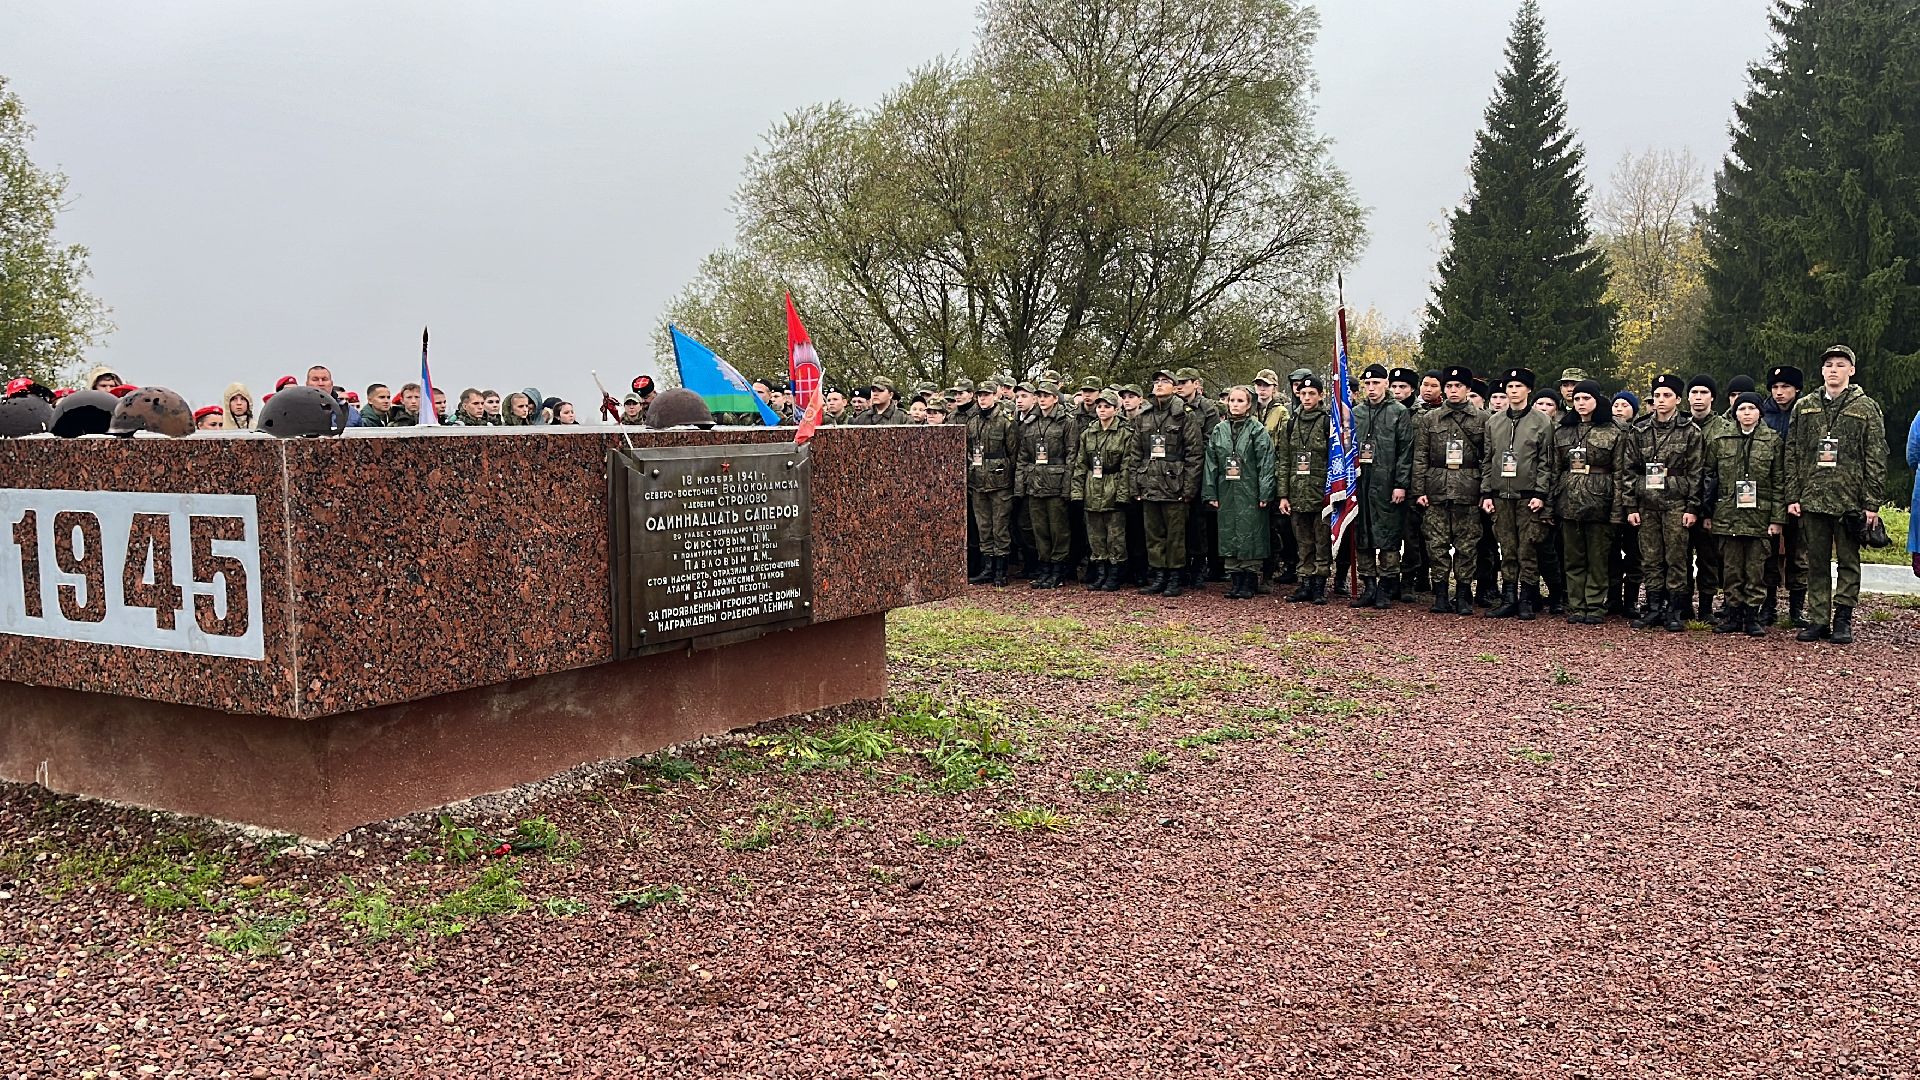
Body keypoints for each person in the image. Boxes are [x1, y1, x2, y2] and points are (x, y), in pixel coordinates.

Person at [1785, 345, 1886, 645]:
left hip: (1850, 502)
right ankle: (1817, 619)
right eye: (1829, 365)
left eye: (1840, 365)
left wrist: (1871, 503)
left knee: (1848, 561)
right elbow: (1792, 451)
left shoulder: (1866, 407)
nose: (1833, 370)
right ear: (1822, 370)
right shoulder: (1805, 406)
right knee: (1815, 562)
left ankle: (1843, 617)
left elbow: (1876, 456)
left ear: (1851, 371)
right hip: (1813, 497)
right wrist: (1793, 495)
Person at [1622, 373, 1706, 632]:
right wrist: (1631, 506)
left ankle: (1674, 609)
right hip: (1647, 503)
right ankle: (1654, 606)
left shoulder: (1690, 431)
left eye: (1667, 395)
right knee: (1650, 558)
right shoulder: (1640, 430)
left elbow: (1696, 472)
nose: (1661, 400)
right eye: (1657, 395)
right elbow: (1629, 470)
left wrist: (1692, 507)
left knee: (1676, 558)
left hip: (1676, 503)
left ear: (1678, 399)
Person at [1703, 391, 1785, 636]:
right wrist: (1708, 512)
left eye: (1751, 408)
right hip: (1727, 514)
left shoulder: (1772, 440)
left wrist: (1777, 519)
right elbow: (1710, 477)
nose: (1746, 413)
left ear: (1760, 412)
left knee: (1756, 568)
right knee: (1731, 568)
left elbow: (1779, 481)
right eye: (1741, 409)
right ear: (1735, 412)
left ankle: (1752, 615)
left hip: (1760, 516)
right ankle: (1733, 613)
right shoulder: (1721, 439)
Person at [1412, 366, 1489, 616]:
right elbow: (1420, 456)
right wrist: (1419, 490)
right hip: (1436, 488)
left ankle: (1464, 593)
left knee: (1467, 546)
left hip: (1469, 488)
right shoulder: (1430, 418)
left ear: (1468, 389)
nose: (1453, 391)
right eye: (1449, 387)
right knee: (1437, 545)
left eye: (1458, 386)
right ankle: (1441, 593)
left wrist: (1485, 491)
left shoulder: (1482, 419)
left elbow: (1488, 459)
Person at [1480, 368, 1555, 619]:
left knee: (1528, 548)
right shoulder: (1494, 421)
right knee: (1508, 548)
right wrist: (1487, 492)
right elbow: (1488, 459)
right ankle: (1509, 595)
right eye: (1509, 387)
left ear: (1528, 390)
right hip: (1502, 495)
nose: (1513, 391)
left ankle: (1527, 597)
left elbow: (1546, 461)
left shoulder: (1541, 421)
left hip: (1528, 495)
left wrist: (1541, 493)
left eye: (1518, 387)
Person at [1553, 381, 1626, 625]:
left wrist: (1617, 511)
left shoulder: (1613, 430)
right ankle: (1576, 604)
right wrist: (1551, 506)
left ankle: (1594, 605)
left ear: (1596, 400)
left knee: (1598, 558)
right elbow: (1554, 470)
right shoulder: (1562, 430)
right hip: (1569, 502)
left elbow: (1620, 473)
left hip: (1600, 502)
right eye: (1577, 399)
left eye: (1586, 398)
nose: (1581, 403)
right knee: (1573, 558)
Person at [1133, 369, 1205, 597]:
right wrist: (1135, 485)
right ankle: (1158, 575)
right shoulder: (1144, 415)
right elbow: (1135, 453)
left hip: (1174, 483)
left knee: (1175, 535)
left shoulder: (1184, 415)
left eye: (1165, 381)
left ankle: (1175, 577)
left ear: (1175, 388)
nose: (1159, 385)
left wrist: (1189, 488)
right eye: (1156, 381)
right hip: (1149, 481)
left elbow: (1194, 455)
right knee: (1153, 533)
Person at [1348, 364, 1414, 608]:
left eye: (1376, 383)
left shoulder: (1398, 412)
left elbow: (1405, 451)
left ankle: (1387, 585)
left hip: (1387, 483)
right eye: (1367, 384)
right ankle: (1369, 584)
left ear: (1386, 384)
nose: (1371, 388)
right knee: (1363, 533)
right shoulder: (1356, 413)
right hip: (1361, 481)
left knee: (1388, 535)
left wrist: (1400, 484)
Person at [1203, 386, 1277, 600]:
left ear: (1248, 404)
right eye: (1232, 400)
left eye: (1239, 401)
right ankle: (1235, 579)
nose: (1234, 404)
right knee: (1229, 531)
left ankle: (1249, 580)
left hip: (1249, 489)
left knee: (1251, 532)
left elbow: (1266, 462)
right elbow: (1211, 463)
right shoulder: (1220, 429)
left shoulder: (1257, 430)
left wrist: (1265, 493)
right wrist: (1210, 493)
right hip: (1226, 488)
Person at [1680, 374, 1733, 620]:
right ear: (1687, 397)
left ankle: (1705, 607)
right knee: (1681, 556)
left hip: (1712, 502)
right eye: (1694, 393)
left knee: (1708, 558)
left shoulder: (1724, 428)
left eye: (1703, 393)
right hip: (1681, 501)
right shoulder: (1679, 425)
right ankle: (1683, 605)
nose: (1698, 398)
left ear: (1712, 396)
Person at [1072, 389, 1136, 591]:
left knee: (1115, 535)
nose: (1102, 410)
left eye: (1107, 406)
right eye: (1099, 406)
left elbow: (1127, 466)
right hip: (1092, 487)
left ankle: (1115, 572)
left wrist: (1123, 494)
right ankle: (1101, 571)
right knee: (1095, 534)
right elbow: (1080, 464)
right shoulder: (1088, 433)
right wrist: (1077, 492)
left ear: (1116, 410)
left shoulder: (1125, 434)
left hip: (1113, 485)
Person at [1759, 365, 1808, 625]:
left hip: (1800, 491)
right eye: (1775, 388)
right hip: (1768, 493)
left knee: (1798, 553)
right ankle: (1768, 606)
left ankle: (1797, 609)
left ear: (1797, 389)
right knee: (1767, 552)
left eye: (1785, 387)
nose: (1779, 392)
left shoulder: (1807, 412)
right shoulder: (1762, 414)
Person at [1016, 381, 1078, 588]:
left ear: (1055, 398)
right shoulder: (1031, 423)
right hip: (1035, 483)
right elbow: (1023, 457)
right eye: (1039, 395)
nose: (1042, 399)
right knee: (1039, 528)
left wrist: (1068, 486)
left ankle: (1058, 569)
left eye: (1046, 395)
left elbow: (1072, 455)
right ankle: (1045, 568)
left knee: (1058, 529)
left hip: (1056, 482)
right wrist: (1021, 485)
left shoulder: (1066, 422)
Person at [1278, 374, 1332, 604]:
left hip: (1320, 491)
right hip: (1297, 490)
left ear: (1321, 396)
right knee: (1303, 541)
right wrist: (1283, 494)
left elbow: (1335, 460)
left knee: (1321, 541)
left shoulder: (1328, 422)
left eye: (1312, 393)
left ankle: (1319, 584)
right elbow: (1284, 461)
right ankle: (1305, 581)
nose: (1307, 397)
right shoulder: (1291, 423)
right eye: (1302, 393)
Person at [966, 379, 1019, 586]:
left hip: (1000, 482)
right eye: (980, 396)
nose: (983, 399)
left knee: (1000, 527)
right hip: (978, 480)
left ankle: (1001, 571)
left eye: (986, 395)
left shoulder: (1005, 421)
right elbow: (969, 449)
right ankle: (988, 568)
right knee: (984, 527)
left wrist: (1008, 476)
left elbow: (1013, 452)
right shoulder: (973, 421)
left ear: (995, 396)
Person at [1609, 390, 1645, 616]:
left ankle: (1630, 600)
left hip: (1635, 501)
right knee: (1610, 553)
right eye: (1616, 404)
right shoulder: (1604, 431)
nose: (1619, 408)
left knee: (1635, 554)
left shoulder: (1642, 432)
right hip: (1610, 500)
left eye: (1625, 405)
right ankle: (1612, 598)